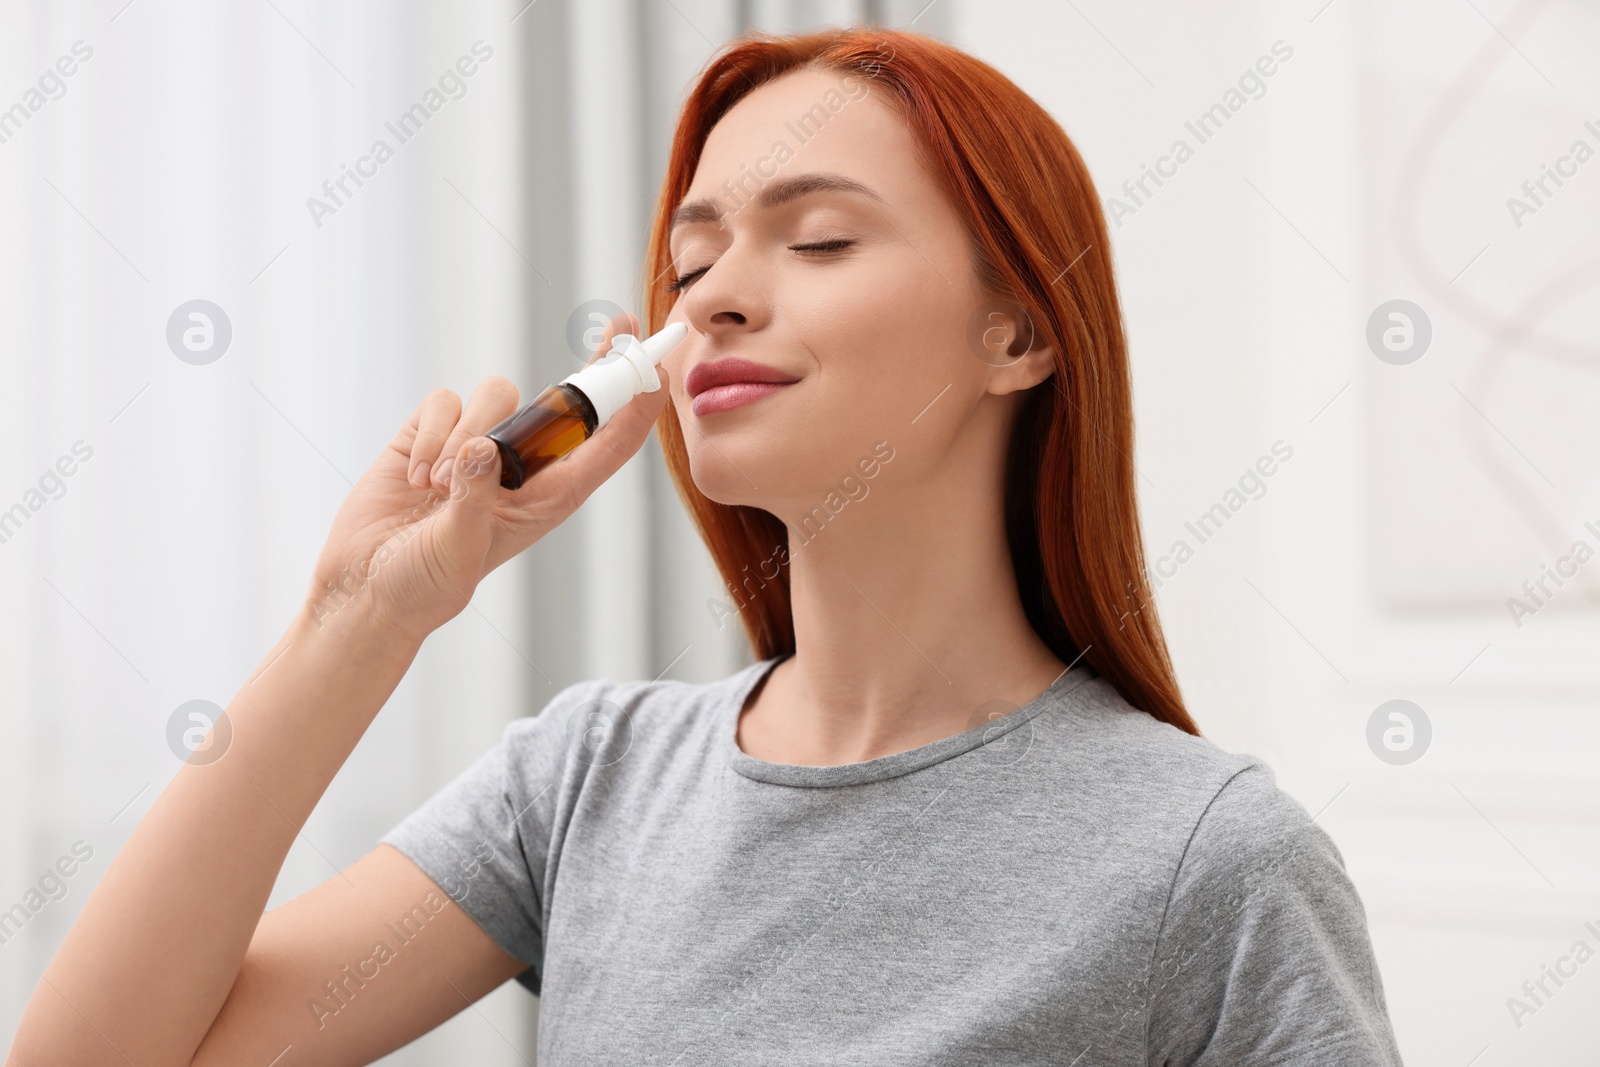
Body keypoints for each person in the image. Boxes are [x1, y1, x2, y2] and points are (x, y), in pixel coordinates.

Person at [7, 27, 1404, 1067]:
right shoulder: (588, 784)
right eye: (692, 264)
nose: (719, 297)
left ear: (1021, 331)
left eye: (820, 242)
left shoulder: (1210, 865)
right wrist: (357, 618)